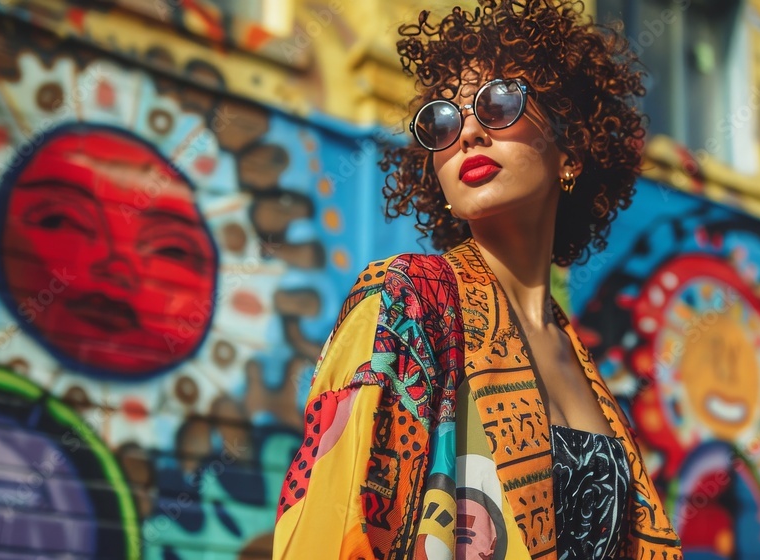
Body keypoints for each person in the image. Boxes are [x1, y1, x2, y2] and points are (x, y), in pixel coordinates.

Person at [273, 1, 682, 558]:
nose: (466, 132)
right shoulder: (407, 301)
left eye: (499, 103)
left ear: (571, 150)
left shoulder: (581, 359)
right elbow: (330, 527)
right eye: (441, 122)